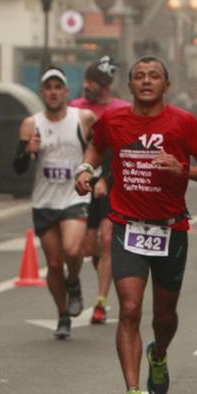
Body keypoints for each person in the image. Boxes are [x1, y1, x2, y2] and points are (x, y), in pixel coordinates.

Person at [75, 57, 197, 394]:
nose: (146, 81)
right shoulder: (115, 121)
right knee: (130, 308)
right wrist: (85, 170)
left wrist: (182, 169)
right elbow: (95, 147)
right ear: (130, 86)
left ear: (166, 85)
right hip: (127, 227)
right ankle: (132, 392)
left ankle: (160, 354)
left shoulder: (183, 122)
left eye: (154, 76)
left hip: (171, 230)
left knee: (165, 316)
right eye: (139, 76)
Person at [15, 69, 95, 338]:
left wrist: (100, 177)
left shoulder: (83, 119)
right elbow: (17, 168)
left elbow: (99, 152)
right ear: (42, 92)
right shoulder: (31, 124)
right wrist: (27, 152)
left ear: (66, 92)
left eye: (57, 86)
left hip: (75, 196)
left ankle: (73, 282)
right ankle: (63, 314)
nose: (52, 91)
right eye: (48, 87)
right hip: (45, 200)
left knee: (73, 251)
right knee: (52, 263)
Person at [71, 57, 130, 325]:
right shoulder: (75, 107)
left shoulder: (121, 109)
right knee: (86, 247)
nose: (86, 86)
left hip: (110, 181)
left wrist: (107, 178)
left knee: (107, 241)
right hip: (79, 182)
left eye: (91, 82)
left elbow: (121, 151)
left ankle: (101, 303)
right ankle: (90, 280)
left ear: (104, 85)